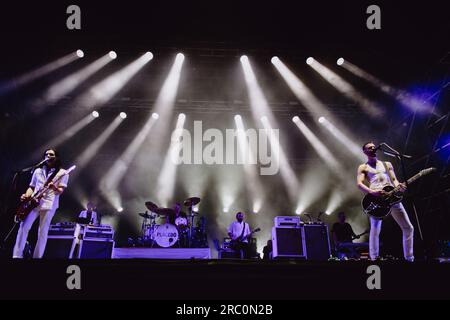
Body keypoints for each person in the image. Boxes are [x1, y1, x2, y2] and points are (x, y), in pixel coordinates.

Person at [357, 142, 414, 262]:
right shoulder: (363, 167)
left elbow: (394, 180)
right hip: (377, 198)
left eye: (373, 146)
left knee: (408, 227)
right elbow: (359, 184)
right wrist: (372, 192)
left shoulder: (387, 164)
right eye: (369, 148)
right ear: (364, 152)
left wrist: (400, 186)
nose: (373, 148)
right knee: (375, 229)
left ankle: (409, 258)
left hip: (392, 197)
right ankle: (374, 258)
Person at [13, 149, 69, 259]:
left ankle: (37, 257)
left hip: (49, 204)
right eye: (46, 154)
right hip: (34, 202)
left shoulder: (63, 173)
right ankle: (17, 255)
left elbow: (60, 191)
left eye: (51, 154)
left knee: (42, 232)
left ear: (56, 157)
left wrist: (54, 187)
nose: (48, 156)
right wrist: (26, 195)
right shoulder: (38, 170)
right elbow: (32, 187)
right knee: (23, 227)